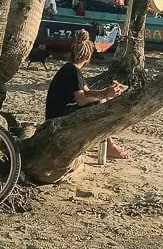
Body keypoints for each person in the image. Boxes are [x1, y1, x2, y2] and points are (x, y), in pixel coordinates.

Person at [45, 30, 129, 159]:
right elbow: (82, 100)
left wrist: (107, 91)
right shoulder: (73, 72)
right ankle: (109, 147)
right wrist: (105, 95)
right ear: (87, 57)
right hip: (57, 119)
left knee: (101, 102)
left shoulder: (70, 69)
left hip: (56, 114)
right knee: (100, 106)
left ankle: (108, 145)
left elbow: (87, 91)